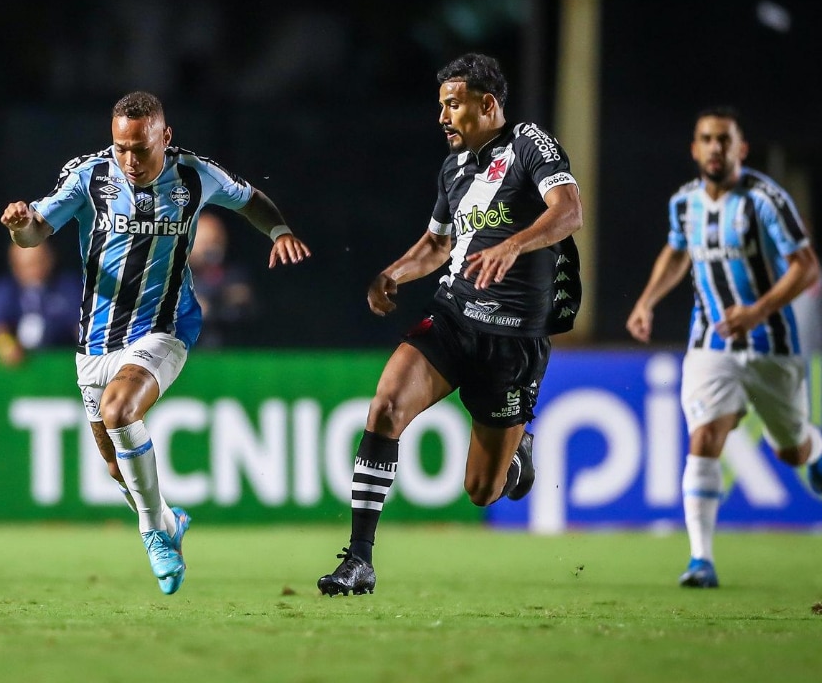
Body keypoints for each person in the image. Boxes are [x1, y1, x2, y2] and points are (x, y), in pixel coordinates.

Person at [0, 90, 311, 595]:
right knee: (112, 460)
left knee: (121, 410)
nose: (130, 160)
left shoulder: (194, 175)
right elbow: (37, 232)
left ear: (164, 137)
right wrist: (20, 227)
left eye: (140, 149)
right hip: (95, 340)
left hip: (165, 327)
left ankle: (153, 533)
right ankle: (168, 520)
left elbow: (249, 197)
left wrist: (278, 230)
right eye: (121, 147)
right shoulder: (88, 176)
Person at [316, 52, 584, 596]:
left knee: (483, 491)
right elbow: (438, 244)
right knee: (385, 407)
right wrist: (392, 273)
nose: (443, 116)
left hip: (514, 339)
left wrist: (512, 246)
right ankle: (360, 560)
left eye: (453, 104)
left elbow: (569, 212)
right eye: (441, 105)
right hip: (453, 318)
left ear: (488, 105)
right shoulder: (454, 169)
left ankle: (516, 452)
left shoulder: (530, 144)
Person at [625, 106, 822, 589]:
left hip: (772, 344)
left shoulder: (765, 200)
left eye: (724, 140)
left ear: (741, 148)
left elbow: (807, 266)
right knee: (705, 437)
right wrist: (647, 300)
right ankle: (700, 560)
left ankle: (814, 449)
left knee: (791, 452)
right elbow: (677, 251)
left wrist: (757, 311)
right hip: (709, 340)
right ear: (695, 148)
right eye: (707, 139)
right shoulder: (685, 203)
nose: (716, 147)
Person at [0, 240, 81, 366]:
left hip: (61, 359)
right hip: (20, 363)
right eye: (26, 265)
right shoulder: (4, 289)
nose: (34, 271)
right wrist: (6, 347)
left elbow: (82, 327)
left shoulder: (68, 286)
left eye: (38, 262)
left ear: (50, 259)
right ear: (15, 267)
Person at [187, 211, 256, 348]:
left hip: (225, 345)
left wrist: (216, 301)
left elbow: (242, 299)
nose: (211, 248)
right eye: (204, 242)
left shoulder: (232, 274)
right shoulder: (175, 275)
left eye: (216, 241)